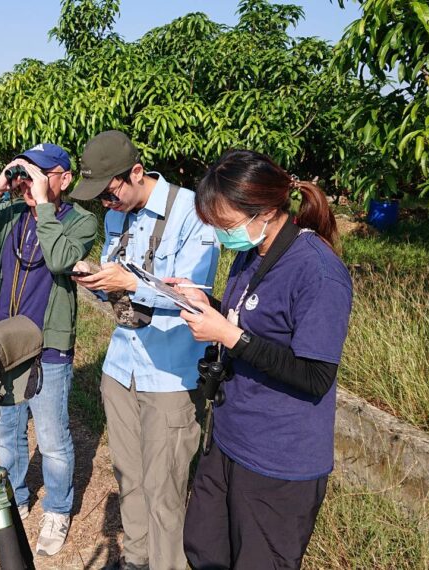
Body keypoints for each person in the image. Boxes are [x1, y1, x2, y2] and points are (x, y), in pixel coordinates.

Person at [174, 149, 353, 569]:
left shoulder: (318, 272)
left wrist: (229, 336)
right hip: (230, 438)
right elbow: (252, 322)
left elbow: (314, 376)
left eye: (227, 225)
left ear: (267, 210)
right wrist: (209, 304)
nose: (221, 236)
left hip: (278, 460)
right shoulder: (251, 252)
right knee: (204, 547)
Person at [69, 130, 221, 570]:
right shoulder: (118, 212)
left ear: (136, 172)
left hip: (169, 376)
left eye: (110, 192)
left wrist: (131, 283)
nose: (105, 204)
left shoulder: (193, 213)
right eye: (99, 197)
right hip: (122, 369)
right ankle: (135, 560)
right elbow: (118, 287)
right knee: (129, 479)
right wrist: (97, 280)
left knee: (165, 490)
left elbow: (195, 298)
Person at [0, 143, 98, 557]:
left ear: (64, 179)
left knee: (52, 438)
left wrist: (44, 206)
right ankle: (15, 496)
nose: (28, 181)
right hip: (3, 342)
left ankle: (57, 508)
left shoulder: (81, 221)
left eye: (40, 174)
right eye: (25, 172)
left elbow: (58, 260)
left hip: (48, 347)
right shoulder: (12, 214)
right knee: (7, 429)